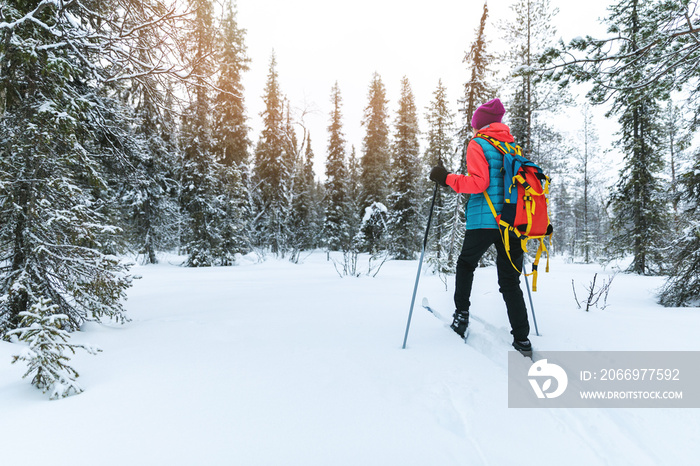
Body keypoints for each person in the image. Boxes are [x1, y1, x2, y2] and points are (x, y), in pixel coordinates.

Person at [429, 98, 532, 356]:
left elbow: (478, 184)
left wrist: (446, 178)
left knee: (466, 265)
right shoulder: (512, 146)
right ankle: (522, 340)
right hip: (513, 221)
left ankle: (461, 317)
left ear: (480, 124)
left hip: (484, 220)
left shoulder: (478, 143)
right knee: (510, 280)